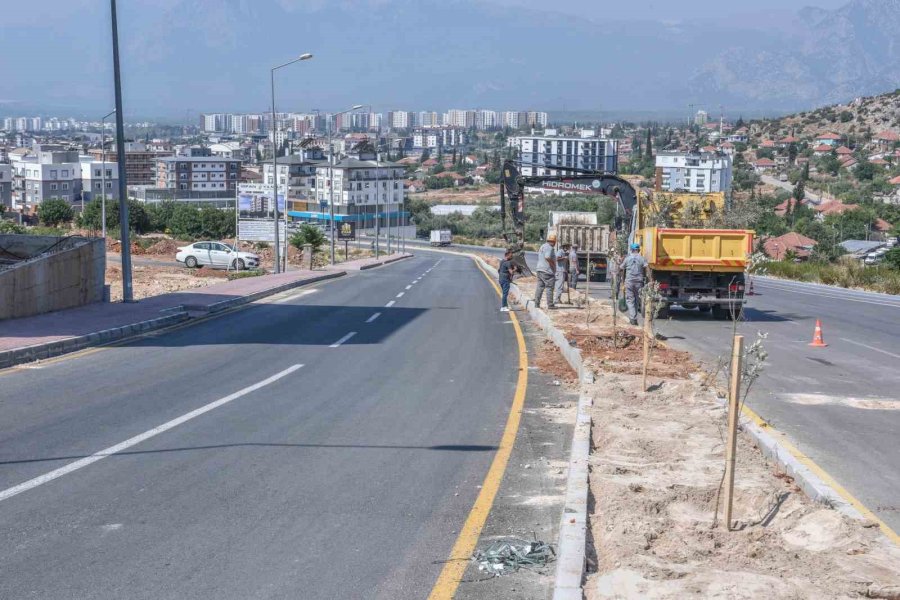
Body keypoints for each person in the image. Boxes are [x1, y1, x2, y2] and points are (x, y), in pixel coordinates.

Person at [619, 242, 649, 325]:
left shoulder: (627, 258)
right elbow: (647, 268)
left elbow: (621, 268)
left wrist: (622, 280)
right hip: (639, 282)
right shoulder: (642, 258)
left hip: (629, 282)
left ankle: (633, 318)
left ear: (631, 250)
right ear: (638, 250)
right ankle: (634, 317)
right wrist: (650, 279)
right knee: (636, 300)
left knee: (630, 300)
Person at [533, 233, 557, 309]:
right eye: (555, 242)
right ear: (553, 241)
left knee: (540, 287)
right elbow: (547, 257)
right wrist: (553, 264)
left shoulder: (542, 246)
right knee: (549, 288)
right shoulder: (549, 247)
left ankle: (536, 304)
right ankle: (550, 305)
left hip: (539, 270)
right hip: (547, 271)